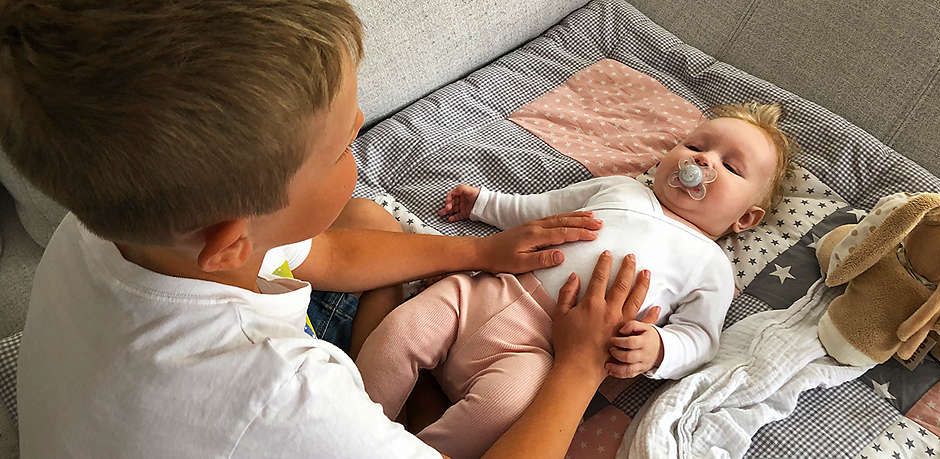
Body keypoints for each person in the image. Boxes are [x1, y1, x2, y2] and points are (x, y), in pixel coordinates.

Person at [0, 1, 649, 457]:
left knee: (367, 220)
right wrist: (579, 364)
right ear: (231, 238)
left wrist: (479, 249)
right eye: (344, 146)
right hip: (238, 416)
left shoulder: (104, 227)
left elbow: (328, 248)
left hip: (142, 404)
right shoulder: (279, 390)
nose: (359, 146)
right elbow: (283, 392)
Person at [356, 102, 798, 458]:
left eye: (731, 166)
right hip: (487, 290)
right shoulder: (623, 188)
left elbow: (701, 337)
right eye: (696, 144)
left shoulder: (712, 265)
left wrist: (659, 348)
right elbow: (541, 211)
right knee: (398, 332)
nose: (703, 160)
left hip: (544, 351)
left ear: (746, 218)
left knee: (502, 408)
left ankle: (415, 450)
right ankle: (355, 422)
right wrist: (484, 204)